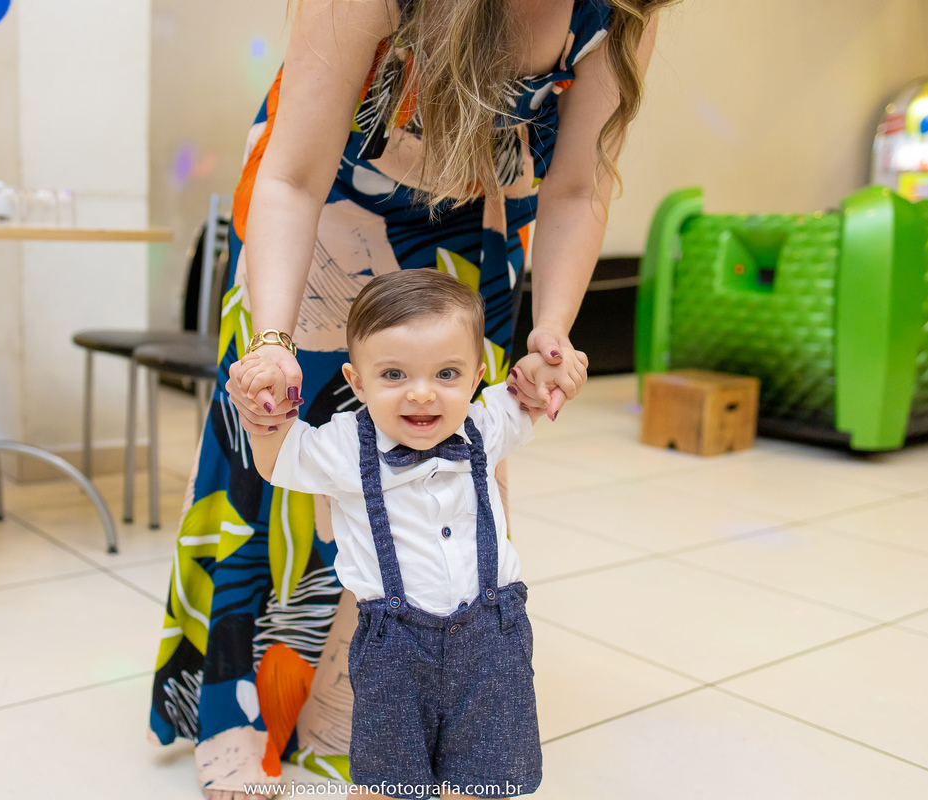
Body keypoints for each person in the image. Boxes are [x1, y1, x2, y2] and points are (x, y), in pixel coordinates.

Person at [148, 0, 671, 797]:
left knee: (435, 463)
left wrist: (555, 330)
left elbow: (576, 187)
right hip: (323, 211)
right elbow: (290, 177)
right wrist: (274, 342)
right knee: (276, 451)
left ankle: (360, 704)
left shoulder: (619, 10)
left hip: (476, 226)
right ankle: (239, 712)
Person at [244, 269, 552, 799]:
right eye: (393, 375)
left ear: (478, 376)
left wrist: (550, 365)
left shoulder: (486, 424)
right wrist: (263, 416)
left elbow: (536, 391)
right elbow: (280, 461)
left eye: (447, 374)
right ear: (357, 381)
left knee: (485, 779)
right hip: (394, 652)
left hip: (492, 644)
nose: (422, 394)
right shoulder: (344, 446)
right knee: (387, 781)